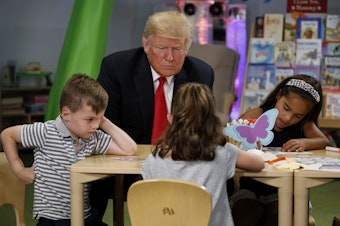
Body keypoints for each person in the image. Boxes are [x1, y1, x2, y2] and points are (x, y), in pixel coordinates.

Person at [92, 10, 215, 224]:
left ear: (186, 49)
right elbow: (103, 124)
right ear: (146, 45)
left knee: (222, 179)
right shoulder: (117, 67)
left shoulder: (201, 74)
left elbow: (200, 128)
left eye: (177, 49)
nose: (170, 57)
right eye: (161, 48)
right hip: (126, 161)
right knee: (91, 179)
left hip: (180, 162)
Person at [0, 74, 137, 226]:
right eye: (90, 119)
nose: (95, 125)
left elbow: (129, 148)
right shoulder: (46, 131)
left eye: (99, 119)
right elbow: (7, 135)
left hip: (83, 216)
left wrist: (103, 120)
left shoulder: (92, 136)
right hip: (53, 220)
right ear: (66, 115)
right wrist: (19, 170)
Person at [141, 83, 265, 226]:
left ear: (170, 118)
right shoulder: (223, 152)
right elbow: (258, 164)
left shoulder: (154, 159)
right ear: (213, 120)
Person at [231, 74, 330, 226]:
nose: (288, 118)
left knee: (278, 215)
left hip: (284, 192)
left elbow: (324, 141)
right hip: (249, 189)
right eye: (286, 108)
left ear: (306, 115)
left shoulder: (304, 125)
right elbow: (230, 134)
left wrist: (304, 142)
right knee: (246, 215)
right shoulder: (257, 115)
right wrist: (245, 143)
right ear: (278, 95)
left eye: (298, 115)